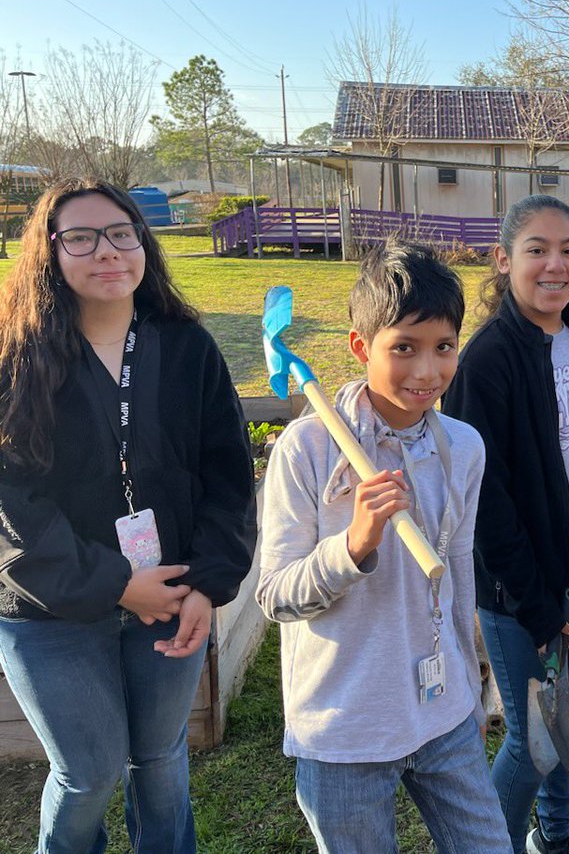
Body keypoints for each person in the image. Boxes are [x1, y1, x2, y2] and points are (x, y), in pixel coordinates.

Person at [0, 178, 255, 853]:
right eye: (80, 238)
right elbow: (11, 508)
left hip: (171, 592)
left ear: (143, 242)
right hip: (50, 610)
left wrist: (208, 581)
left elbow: (228, 473)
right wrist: (116, 583)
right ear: (49, 252)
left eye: (121, 233)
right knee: (88, 773)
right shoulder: (16, 359)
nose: (106, 251)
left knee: (164, 762)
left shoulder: (185, 347)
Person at [256, 244, 508, 853]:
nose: (427, 372)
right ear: (360, 347)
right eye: (404, 348)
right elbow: (274, 596)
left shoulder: (464, 447)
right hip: (345, 728)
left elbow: (457, 577)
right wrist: (353, 545)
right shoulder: (307, 450)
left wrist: (471, 691)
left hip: (441, 712)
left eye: (444, 348)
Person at [441, 194, 569, 854]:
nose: (556, 265)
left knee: (564, 720)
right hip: (526, 591)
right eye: (537, 250)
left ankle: (556, 837)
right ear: (503, 260)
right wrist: (535, 605)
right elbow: (485, 500)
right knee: (531, 742)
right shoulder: (488, 360)